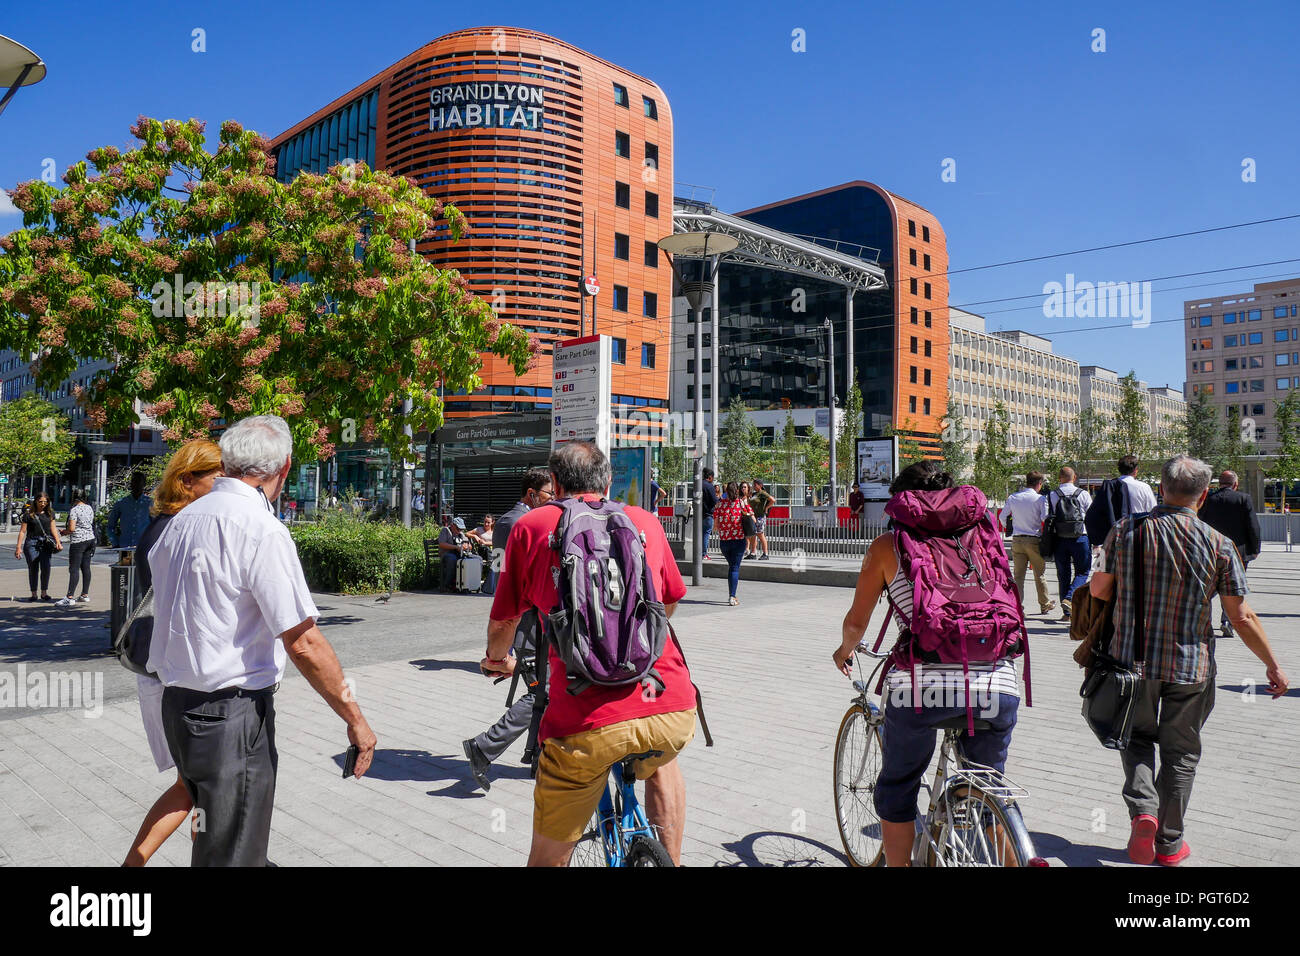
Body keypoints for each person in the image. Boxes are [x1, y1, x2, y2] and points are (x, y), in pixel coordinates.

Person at [147, 415, 377, 866]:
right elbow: (303, 641)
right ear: (284, 468)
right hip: (231, 714)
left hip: (179, 705)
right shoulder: (259, 527)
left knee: (214, 836)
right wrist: (356, 719)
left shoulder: (181, 521)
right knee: (233, 850)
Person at [484, 442, 696, 867]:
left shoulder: (533, 527)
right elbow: (670, 600)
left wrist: (496, 660)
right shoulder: (645, 522)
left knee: (548, 853)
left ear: (556, 484)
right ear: (609, 482)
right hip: (670, 705)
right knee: (661, 762)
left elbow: (505, 622)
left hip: (584, 722)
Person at [1089, 455, 1288, 867]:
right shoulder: (1219, 544)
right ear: (1202, 497)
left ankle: (1143, 809)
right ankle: (1169, 842)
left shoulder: (1125, 531)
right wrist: (1272, 664)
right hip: (1191, 667)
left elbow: (1100, 591)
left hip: (1132, 663)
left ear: (1161, 489)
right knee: (1181, 754)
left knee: (1137, 739)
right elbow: (1241, 616)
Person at [833, 461, 1024, 867]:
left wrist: (845, 649)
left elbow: (857, 621)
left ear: (903, 501)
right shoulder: (984, 534)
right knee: (991, 787)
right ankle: (1015, 854)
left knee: (898, 786)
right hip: (998, 684)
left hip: (920, 689)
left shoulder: (888, 545)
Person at [122, 440, 223, 866]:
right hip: (171, 674)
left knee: (197, 785)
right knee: (194, 784)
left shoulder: (166, 524)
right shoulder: (178, 531)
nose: (227, 485)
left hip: (163, 669)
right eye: (219, 476)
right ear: (188, 480)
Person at [463, 468, 553, 790]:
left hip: (520, 615)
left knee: (541, 689)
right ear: (532, 494)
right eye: (548, 495)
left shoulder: (506, 520)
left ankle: (539, 756)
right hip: (526, 618)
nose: (552, 500)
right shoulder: (522, 523)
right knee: (543, 690)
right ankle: (484, 748)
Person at [1197, 470, 1262, 638]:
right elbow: (1252, 526)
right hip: (1237, 552)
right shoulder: (1243, 499)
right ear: (1236, 484)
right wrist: (1254, 549)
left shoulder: (1209, 499)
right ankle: (1226, 621)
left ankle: (1204, 622)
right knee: (1232, 589)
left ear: (1219, 483)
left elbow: (1200, 522)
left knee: (1209, 587)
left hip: (1211, 550)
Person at [1003, 471, 1056, 615]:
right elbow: (1045, 518)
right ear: (1039, 484)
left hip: (1017, 540)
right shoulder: (1040, 499)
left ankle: (1018, 606)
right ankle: (1044, 604)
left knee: (1018, 576)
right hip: (1034, 540)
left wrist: (1013, 528)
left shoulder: (1013, 497)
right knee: (1039, 574)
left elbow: (1002, 517)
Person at [1046, 466, 1093, 620]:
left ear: (1059, 478)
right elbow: (1091, 517)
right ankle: (1070, 598)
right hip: (1080, 537)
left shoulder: (1052, 495)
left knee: (1063, 575)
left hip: (1060, 539)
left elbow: (1046, 516)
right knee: (1083, 571)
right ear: (1074, 478)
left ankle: (1067, 614)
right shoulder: (1083, 494)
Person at [1086, 455, 1158, 553]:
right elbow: (1153, 512)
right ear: (1136, 470)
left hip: (1114, 536)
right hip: (1138, 534)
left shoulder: (1109, 487)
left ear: (1119, 469)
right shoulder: (1144, 487)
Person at [713, 481, 753, 606]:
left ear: (726, 491)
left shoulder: (720, 504)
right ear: (737, 491)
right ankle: (732, 596)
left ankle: (732, 595)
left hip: (724, 542)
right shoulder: (741, 503)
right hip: (738, 540)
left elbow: (715, 526)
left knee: (732, 567)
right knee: (734, 568)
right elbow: (752, 516)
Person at [16, 493, 62, 601]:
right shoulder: (29, 515)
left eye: (45, 502)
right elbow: (22, 531)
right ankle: (34, 594)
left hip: (46, 543)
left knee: (46, 567)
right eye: (40, 501)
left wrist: (58, 542)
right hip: (31, 543)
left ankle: (44, 593)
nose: (43, 504)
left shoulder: (50, 513)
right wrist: (18, 547)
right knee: (33, 568)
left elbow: (53, 529)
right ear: (35, 501)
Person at [55, 488, 97, 607]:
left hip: (78, 541)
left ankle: (70, 597)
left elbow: (72, 529)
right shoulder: (89, 508)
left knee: (74, 569)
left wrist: (64, 532)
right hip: (90, 539)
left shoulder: (74, 510)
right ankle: (84, 594)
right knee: (86, 567)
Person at [106, 471, 153, 554]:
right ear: (131, 483)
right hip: (124, 548)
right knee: (124, 567)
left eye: (139, 482)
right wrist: (115, 543)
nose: (136, 485)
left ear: (144, 484)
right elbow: (110, 526)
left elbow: (156, 526)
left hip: (144, 548)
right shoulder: (121, 503)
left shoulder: (150, 503)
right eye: (134, 481)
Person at [438, 516, 472, 591]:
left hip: (459, 554)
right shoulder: (445, 530)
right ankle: (446, 585)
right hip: (446, 554)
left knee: (476, 559)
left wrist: (467, 546)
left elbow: (469, 545)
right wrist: (456, 547)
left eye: (461, 529)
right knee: (452, 559)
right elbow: (442, 544)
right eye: (458, 528)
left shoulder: (461, 534)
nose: (460, 531)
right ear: (453, 525)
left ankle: (467, 584)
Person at [749, 479, 775, 560]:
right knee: (753, 535)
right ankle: (753, 553)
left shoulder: (762, 493)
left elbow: (773, 500)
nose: (754, 486)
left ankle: (765, 553)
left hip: (760, 516)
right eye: (753, 484)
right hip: (754, 517)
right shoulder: (755, 494)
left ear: (760, 485)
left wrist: (766, 508)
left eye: (755, 485)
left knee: (760, 534)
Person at [700, 467, 718, 561]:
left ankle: (699, 553)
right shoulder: (709, 486)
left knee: (700, 534)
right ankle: (704, 554)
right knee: (706, 534)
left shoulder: (698, 484)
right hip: (707, 514)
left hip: (699, 514)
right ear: (710, 477)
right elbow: (715, 500)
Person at [739, 480, 759, 559]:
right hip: (743, 518)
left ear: (748, 488)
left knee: (753, 535)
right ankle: (747, 549)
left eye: (745, 487)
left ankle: (753, 552)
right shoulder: (739, 497)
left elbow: (753, 509)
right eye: (742, 487)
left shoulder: (751, 497)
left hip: (751, 517)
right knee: (746, 536)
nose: (743, 488)